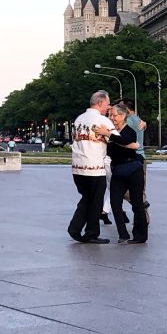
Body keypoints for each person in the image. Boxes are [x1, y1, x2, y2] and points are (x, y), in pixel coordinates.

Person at [68, 90, 115, 244]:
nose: (108, 108)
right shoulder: (103, 121)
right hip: (95, 168)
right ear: (100, 103)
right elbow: (117, 140)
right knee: (95, 202)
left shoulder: (78, 119)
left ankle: (75, 228)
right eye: (107, 104)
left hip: (77, 167)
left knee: (86, 198)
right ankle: (91, 233)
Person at [97, 103, 147, 243]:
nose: (112, 118)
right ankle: (123, 234)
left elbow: (128, 141)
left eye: (114, 115)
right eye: (110, 115)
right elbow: (122, 145)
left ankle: (140, 236)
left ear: (123, 116)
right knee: (115, 202)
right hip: (118, 170)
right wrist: (109, 136)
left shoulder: (128, 130)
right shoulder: (111, 131)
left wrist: (109, 135)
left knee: (137, 203)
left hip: (133, 169)